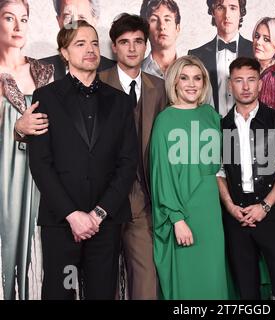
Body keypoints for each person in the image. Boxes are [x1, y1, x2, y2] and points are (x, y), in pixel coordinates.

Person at [28, 20, 138, 299]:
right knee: (60, 293)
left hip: (105, 223)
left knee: (102, 293)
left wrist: (97, 214)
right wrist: (73, 215)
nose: (90, 49)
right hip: (61, 222)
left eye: (93, 43)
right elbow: (40, 163)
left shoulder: (121, 101)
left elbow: (127, 164)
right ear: (64, 52)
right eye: (80, 43)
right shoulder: (45, 98)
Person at [217, 57, 275, 299]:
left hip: (272, 217)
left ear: (259, 84)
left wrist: (265, 206)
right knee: (246, 292)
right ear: (230, 85)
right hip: (237, 220)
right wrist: (230, 207)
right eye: (239, 80)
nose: (245, 86)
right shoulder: (222, 126)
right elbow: (219, 172)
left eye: (251, 80)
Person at [150, 55, 231, 299]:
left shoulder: (211, 116)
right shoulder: (165, 120)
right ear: (174, 82)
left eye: (197, 78)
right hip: (184, 213)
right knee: (189, 284)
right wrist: (177, 220)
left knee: (213, 278)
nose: (191, 84)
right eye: (184, 78)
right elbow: (161, 174)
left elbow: (225, 166)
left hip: (213, 213)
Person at [99, 13, 167, 300]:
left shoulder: (160, 87)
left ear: (146, 45)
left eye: (138, 41)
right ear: (114, 47)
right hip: (101, 198)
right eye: (124, 42)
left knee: (146, 278)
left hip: (142, 199)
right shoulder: (97, 83)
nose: (131, 48)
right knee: (103, 279)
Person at [0, 0, 53, 300]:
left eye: (24, 19)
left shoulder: (43, 71)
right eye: (9, 18)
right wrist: (16, 128)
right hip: (4, 175)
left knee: (39, 247)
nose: (18, 26)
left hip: (39, 176)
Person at [188, 0, 253, 116]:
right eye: (220, 8)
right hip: (209, 128)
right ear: (213, 12)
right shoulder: (196, 56)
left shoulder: (256, 52)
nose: (227, 15)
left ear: (240, 12)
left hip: (249, 129)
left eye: (233, 8)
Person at [40, 0, 115, 80]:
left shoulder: (114, 70)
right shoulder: (39, 69)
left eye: (82, 18)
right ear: (59, 21)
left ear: (94, 21)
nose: (75, 26)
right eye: (68, 17)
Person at [140, 0, 180, 79]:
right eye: (154, 20)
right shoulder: (134, 72)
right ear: (145, 29)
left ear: (177, 28)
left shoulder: (193, 71)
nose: (162, 26)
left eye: (167, 20)